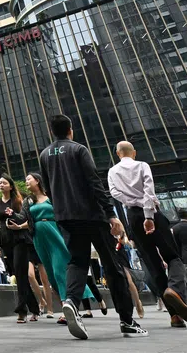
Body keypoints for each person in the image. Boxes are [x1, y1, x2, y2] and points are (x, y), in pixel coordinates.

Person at [40, 114, 146, 339]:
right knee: (112, 266)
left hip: (65, 218)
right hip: (92, 215)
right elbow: (94, 182)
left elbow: (48, 188)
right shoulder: (79, 149)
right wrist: (111, 214)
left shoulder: (44, 155)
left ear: (52, 131)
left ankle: (71, 301)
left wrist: (61, 210)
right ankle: (127, 320)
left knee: (77, 261)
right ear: (70, 129)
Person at [106, 142, 187, 329]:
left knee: (153, 264)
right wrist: (148, 214)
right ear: (134, 152)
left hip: (133, 217)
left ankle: (174, 316)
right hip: (152, 213)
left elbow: (115, 193)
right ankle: (175, 290)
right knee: (173, 256)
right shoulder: (142, 165)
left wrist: (134, 202)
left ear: (118, 154)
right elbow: (149, 189)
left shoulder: (113, 171)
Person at [24, 171, 96, 325]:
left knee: (59, 270)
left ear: (37, 181)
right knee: (51, 274)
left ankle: (68, 308)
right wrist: (18, 225)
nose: (26, 182)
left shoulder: (51, 197)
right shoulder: (28, 201)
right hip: (39, 239)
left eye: (29, 179)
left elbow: (62, 214)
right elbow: (27, 220)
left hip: (55, 234)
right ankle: (69, 306)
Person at [0, 174, 40, 323]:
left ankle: (21, 311)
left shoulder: (18, 200)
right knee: (19, 275)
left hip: (19, 240)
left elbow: (27, 220)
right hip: (5, 242)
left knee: (20, 273)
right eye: (0, 183)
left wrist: (19, 226)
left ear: (10, 186)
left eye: (4, 183)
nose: (1, 185)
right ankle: (35, 308)